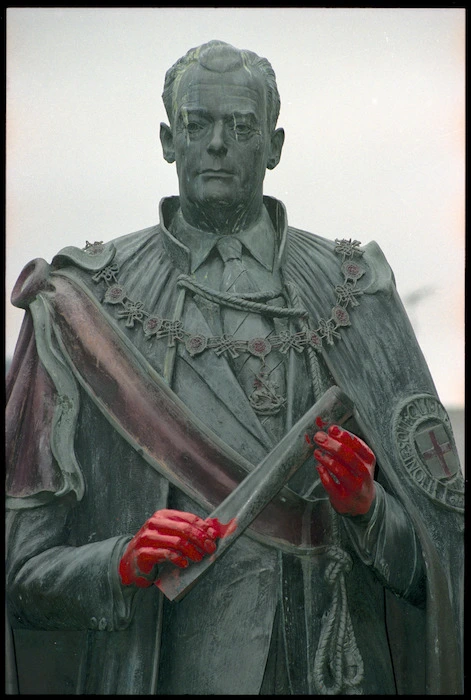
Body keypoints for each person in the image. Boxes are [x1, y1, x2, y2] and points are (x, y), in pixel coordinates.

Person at [5, 39, 463, 695]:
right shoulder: (80, 305)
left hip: (329, 663)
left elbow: (442, 556)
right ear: (168, 139)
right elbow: (21, 576)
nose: (217, 143)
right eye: (198, 124)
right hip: (166, 668)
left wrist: (367, 511)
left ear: (274, 146)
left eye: (241, 126)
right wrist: (123, 561)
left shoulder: (356, 289)